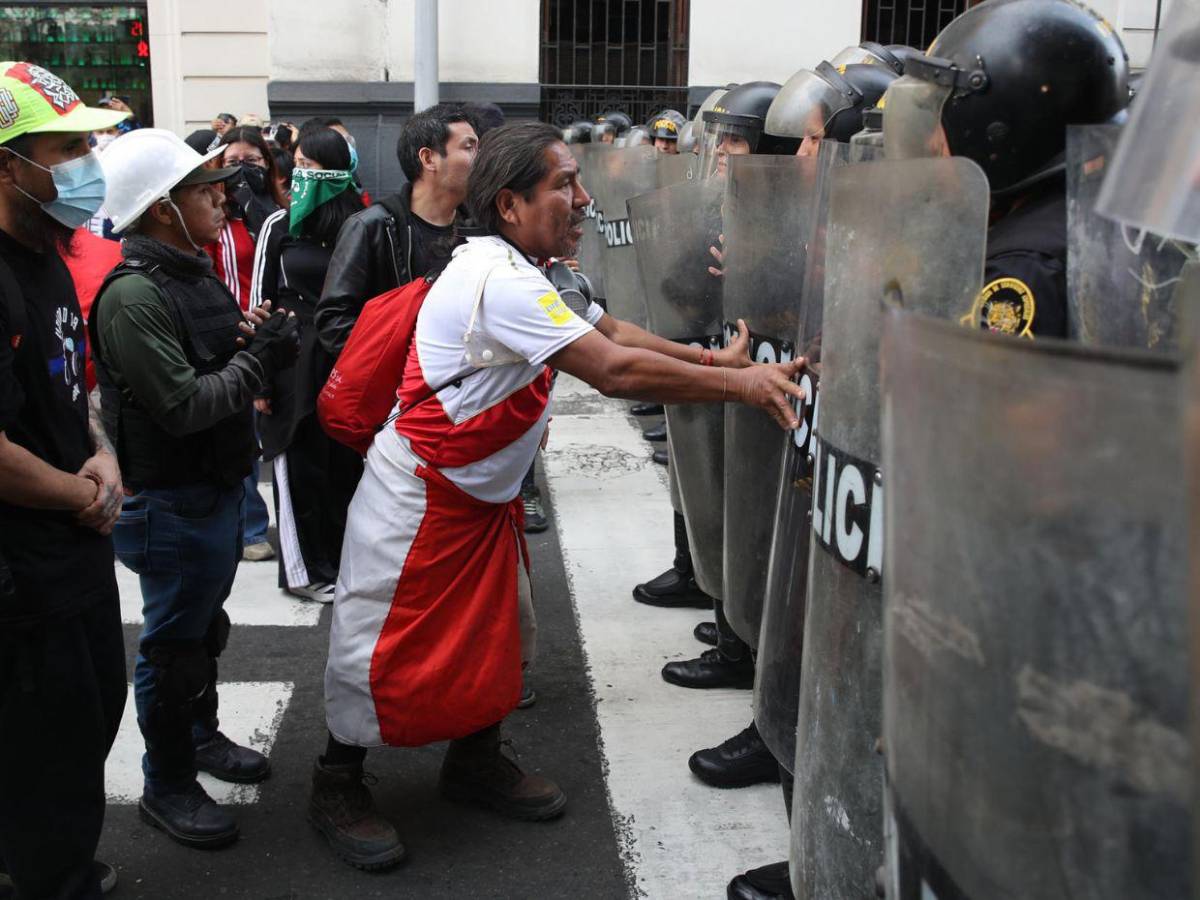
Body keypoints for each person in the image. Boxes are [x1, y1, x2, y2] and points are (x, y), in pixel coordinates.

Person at [309, 121, 805, 872]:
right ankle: (336, 783)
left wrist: (710, 358)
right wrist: (743, 383)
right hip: (419, 505)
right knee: (376, 648)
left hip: (481, 504)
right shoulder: (498, 281)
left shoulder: (533, 269)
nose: (583, 199)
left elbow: (613, 329)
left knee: (501, 638)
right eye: (564, 186)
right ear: (509, 205)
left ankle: (473, 763)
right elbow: (613, 370)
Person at [92, 127, 299, 850]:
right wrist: (257, 362)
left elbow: (212, 359)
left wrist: (252, 341)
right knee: (173, 647)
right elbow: (182, 406)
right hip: (172, 502)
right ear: (159, 209)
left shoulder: (191, 271)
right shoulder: (135, 296)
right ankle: (167, 782)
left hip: (211, 487)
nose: (222, 195)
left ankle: (199, 735)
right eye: (203, 187)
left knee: (200, 634)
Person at [0, 60, 130, 900]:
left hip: (74, 554)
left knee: (87, 721)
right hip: (23, 571)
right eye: (68, 146)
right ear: (10, 164)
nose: (86, 162)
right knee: (44, 756)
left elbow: (70, 378)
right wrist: (81, 495)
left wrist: (102, 450)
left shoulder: (46, 253)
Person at [884, 0, 1128, 340]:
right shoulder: (1101, 219)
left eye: (940, 118)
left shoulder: (1024, 267)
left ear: (995, 127)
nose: (931, 143)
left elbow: (976, 390)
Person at [250, 127, 366, 603]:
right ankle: (303, 571)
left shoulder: (363, 225)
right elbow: (259, 303)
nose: (302, 176)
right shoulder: (279, 226)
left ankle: (343, 562)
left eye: (313, 168)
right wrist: (259, 373)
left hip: (347, 358)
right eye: (297, 165)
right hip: (292, 360)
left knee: (345, 464)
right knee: (297, 464)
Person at [315, 102, 479, 357]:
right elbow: (334, 323)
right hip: (399, 391)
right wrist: (407, 363)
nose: (480, 158)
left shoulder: (479, 231)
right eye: (469, 147)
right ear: (428, 158)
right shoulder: (371, 227)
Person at [216, 125, 288, 563]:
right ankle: (249, 529)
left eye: (253, 161)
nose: (243, 171)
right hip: (227, 337)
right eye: (232, 163)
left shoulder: (272, 214)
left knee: (271, 430)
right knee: (239, 432)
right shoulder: (214, 218)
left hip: (270, 334)